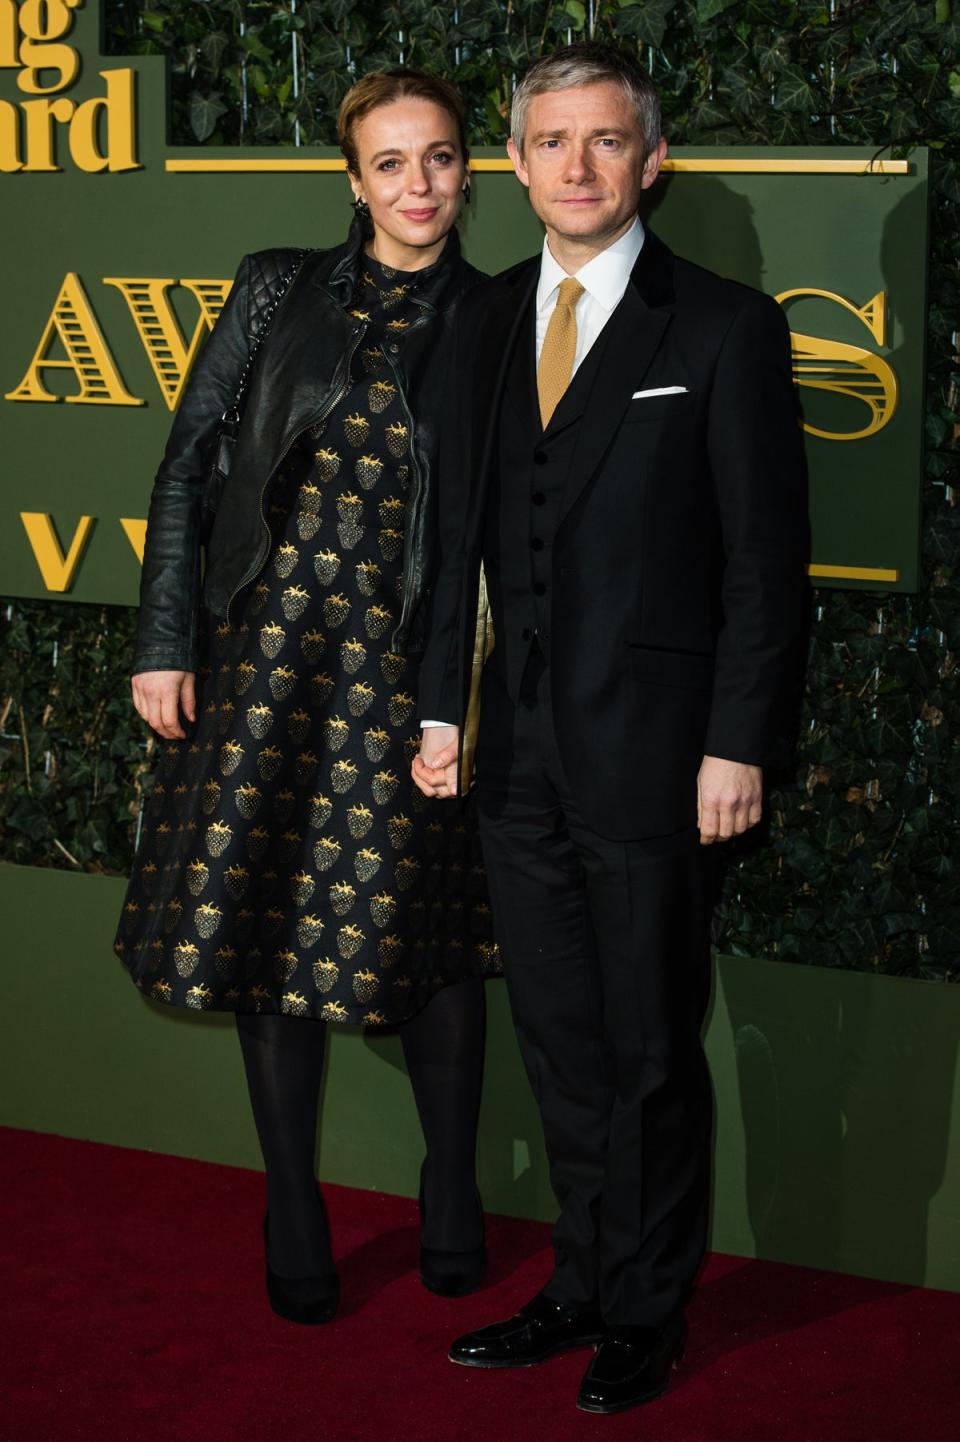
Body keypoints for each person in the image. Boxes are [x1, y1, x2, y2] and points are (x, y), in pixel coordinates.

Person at [413, 43, 808, 1415]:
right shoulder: (476, 323)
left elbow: (766, 562)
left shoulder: (722, 327)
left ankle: (650, 1305)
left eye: (603, 141)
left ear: (653, 161)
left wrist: (738, 742)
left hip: (659, 759)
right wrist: (435, 709)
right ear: (514, 166)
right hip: (511, 758)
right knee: (564, 1042)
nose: (575, 166)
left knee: (648, 1048)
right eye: (548, 142)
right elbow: (450, 533)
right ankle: (581, 1276)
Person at [114, 69, 499, 1324]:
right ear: (353, 179)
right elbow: (189, 463)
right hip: (263, 664)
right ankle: (293, 1198)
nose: (419, 186)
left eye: (439, 158)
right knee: (264, 924)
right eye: (390, 164)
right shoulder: (278, 286)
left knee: (434, 932)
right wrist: (165, 635)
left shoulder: (503, 317)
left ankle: (453, 1188)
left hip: (406, 672)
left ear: (467, 169)